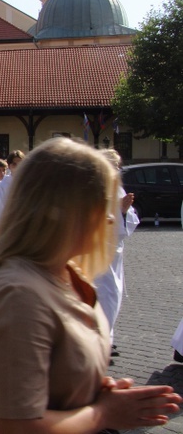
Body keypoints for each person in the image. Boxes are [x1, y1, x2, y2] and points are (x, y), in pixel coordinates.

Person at [0, 138, 182, 433]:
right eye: (101, 204)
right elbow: (18, 426)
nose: (109, 218)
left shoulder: (65, 273)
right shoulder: (19, 294)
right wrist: (102, 413)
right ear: (67, 209)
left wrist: (91, 389)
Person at [95, 149, 139, 358]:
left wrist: (124, 211)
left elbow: (131, 219)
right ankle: (100, 342)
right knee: (106, 294)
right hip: (99, 249)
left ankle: (106, 339)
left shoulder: (117, 188)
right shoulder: (96, 188)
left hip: (115, 251)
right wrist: (120, 212)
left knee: (114, 293)